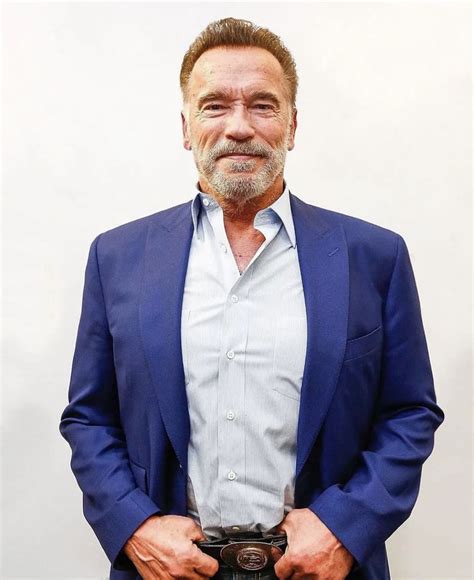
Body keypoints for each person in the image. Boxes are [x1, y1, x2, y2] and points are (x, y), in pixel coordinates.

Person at [60, 17, 444, 580]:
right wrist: (135, 527)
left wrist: (345, 526)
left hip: (317, 570)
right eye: (214, 106)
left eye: (263, 105)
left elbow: (409, 413)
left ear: (292, 125)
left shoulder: (374, 257)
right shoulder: (116, 257)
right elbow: (90, 418)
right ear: (186, 127)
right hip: (170, 570)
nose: (239, 127)